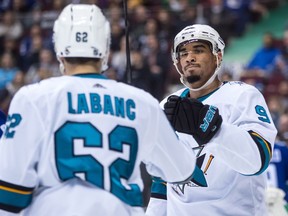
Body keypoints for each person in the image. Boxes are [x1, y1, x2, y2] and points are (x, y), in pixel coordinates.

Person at [0, 4, 197, 216]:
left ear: (59, 48)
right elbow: (182, 170)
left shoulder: (33, 98)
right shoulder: (142, 102)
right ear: (105, 48)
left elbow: (11, 191)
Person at [146, 24, 277, 216]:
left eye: (198, 50)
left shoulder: (242, 95)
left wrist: (215, 131)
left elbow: (259, 159)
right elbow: (161, 179)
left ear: (218, 56)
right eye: (183, 53)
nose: (189, 57)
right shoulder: (167, 104)